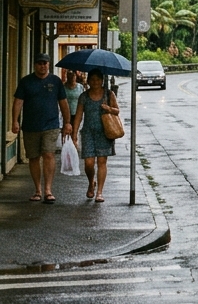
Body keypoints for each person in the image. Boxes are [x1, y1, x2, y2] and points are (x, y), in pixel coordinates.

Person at [12, 53, 71, 203]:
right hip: (30, 126)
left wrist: (67, 122)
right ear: (35, 65)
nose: (42, 66)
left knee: (49, 154)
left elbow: (63, 103)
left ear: (49, 64)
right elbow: (18, 102)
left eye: (45, 63)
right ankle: (37, 189)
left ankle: (48, 190)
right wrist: (15, 121)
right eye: (39, 63)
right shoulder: (26, 82)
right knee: (33, 157)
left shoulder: (55, 81)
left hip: (50, 125)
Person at [72, 68, 119, 203]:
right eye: (92, 80)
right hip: (88, 132)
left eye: (98, 80)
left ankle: (99, 192)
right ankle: (91, 181)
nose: (95, 82)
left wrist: (108, 108)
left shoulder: (108, 94)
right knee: (89, 163)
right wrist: (74, 134)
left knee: (102, 162)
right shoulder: (84, 96)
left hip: (105, 132)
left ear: (102, 81)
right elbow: (79, 116)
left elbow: (116, 111)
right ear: (88, 81)